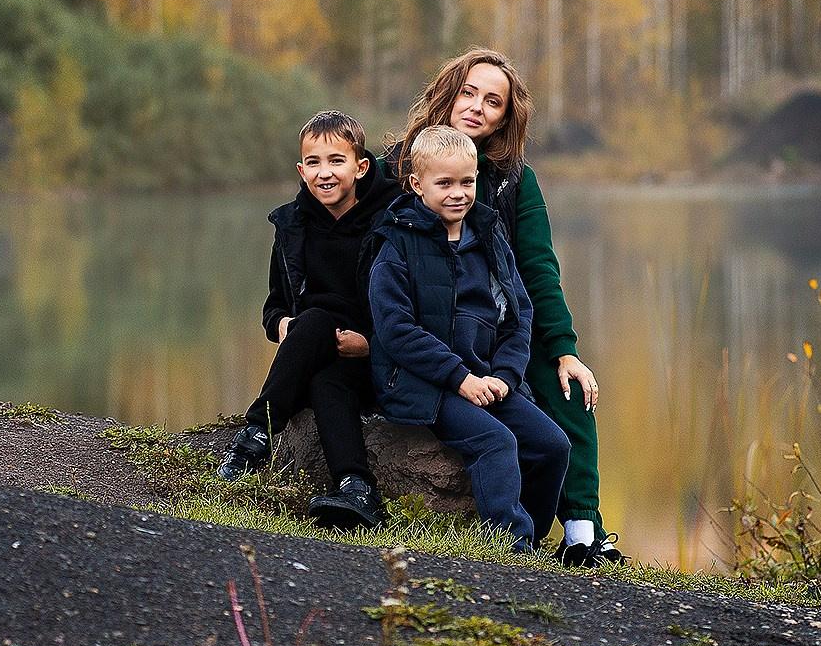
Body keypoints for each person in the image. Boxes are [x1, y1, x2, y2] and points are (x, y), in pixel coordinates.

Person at [379, 48, 620, 567]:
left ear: (506, 117)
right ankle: (512, 538)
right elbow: (351, 231)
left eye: (493, 101)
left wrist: (563, 348)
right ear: (447, 93)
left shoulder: (512, 182)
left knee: (569, 387)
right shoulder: (400, 164)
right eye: (468, 92)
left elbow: (537, 269)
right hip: (422, 326)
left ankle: (582, 531)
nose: (477, 107)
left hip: (496, 325)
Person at [367, 126, 570, 551]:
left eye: (468, 181)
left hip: (486, 377)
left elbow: (520, 313)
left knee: (552, 445)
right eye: (445, 183)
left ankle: (530, 537)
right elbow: (395, 330)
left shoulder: (489, 235)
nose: (459, 193)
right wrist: (459, 378)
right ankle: (509, 547)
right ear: (417, 184)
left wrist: (506, 375)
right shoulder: (396, 243)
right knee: (497, 442)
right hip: (425, 384)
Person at [217, 111, 396, 530]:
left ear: (361, 166)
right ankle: (356, 487)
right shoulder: (292, 225)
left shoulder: (391, 220)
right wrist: (283, 328)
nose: (324, 172)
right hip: (314, 348)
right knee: (314, 336)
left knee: (320, 351)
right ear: (301, 170)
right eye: (313, 163)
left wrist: (369, 344)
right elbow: (275, 307)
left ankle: (257, 432)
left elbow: (415, 310)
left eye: (337, 160)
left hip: (374, 356)